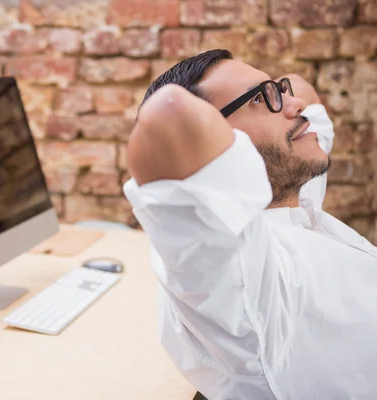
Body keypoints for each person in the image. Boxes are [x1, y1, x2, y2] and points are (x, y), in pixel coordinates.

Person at [123, 49, 377, 399]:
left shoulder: (293, 198)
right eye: (261, 98)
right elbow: (170, 114)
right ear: (222, 143)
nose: (295, 103)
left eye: (280, 90)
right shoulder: (255, 281)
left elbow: (306, 98)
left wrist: (274, 95)